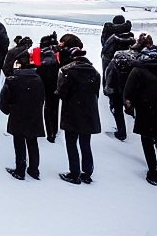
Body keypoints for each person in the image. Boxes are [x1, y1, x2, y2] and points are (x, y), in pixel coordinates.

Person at [56, 46, 101, 185]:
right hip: (89, 113)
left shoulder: (69, 72)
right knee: (85, 143)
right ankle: (87, 173)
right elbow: (96, 93)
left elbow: (62, 93)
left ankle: (74, 173)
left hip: (72, 112)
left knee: (71, 143)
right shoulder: (95, 73)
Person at [0, 53, 45, 180]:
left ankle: (20, 170)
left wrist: (8, 110)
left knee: (19, 142)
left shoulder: (12, 80)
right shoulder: (38, 79)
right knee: (32, 141)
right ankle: (34, 169)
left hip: (18, 114)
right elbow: (42, 98)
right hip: (34, 115)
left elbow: (4, 99)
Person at [124, 53, 157, 185]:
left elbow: (129, 91)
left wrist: (129, 107)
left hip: (146, 110)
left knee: (147, 140)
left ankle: (153, 171)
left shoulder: (138, 70)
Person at [104, 41, 139, 141]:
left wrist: (108, 88)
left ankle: (121, 132)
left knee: (117, 110)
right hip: (130, 89)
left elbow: (109, 73)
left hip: (116, 89)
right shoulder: (137, 62)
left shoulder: (116, 59)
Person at [35, 32, 61, 142]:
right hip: (55, 82)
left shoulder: (37, 52)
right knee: (54, 107)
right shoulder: (58, 52)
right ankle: (54, 130)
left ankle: (49, 132)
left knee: (46, 107)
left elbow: (35, 66)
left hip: (42, 82)